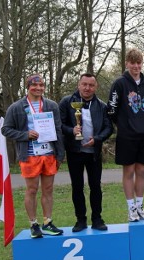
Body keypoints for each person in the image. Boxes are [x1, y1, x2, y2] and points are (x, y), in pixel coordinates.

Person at [2, 74, 65, 238]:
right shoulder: (16, 107)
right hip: (29, 154)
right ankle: (33, 224)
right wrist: (25, 134)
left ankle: (48, 222)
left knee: (48, 189)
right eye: (34, 85)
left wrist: (60, 153)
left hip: (49, 153)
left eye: (41, 85)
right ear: (28, 87)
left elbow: (58, 129)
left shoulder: (51, 105)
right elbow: (6, 129)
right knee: (32, 189)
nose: (38, 88)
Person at [59, 73, 113, 232]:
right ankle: (80, 220)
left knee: (95, 186)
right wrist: (71, 130)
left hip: (94, 153)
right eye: (84, 84)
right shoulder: (66, 102)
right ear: (78, 85)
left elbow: (109, 128)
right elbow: (59, 124)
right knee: (77, 187)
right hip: (75, 151)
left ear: (95, 87)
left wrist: (97, 139)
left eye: (91, 85)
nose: (87, 88)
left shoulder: (102, 106)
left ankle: (97, 219)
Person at [107, 48, 144, 222]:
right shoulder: (119, 83)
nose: (136, 66)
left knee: (141, 171)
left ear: (142, 64)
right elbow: (111, 109)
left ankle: (140, 206)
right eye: (132, 63)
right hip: (126, 135)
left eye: (138, 63)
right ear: (127, 63)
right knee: (129, 171)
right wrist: (122, 125)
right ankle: (131, 208)